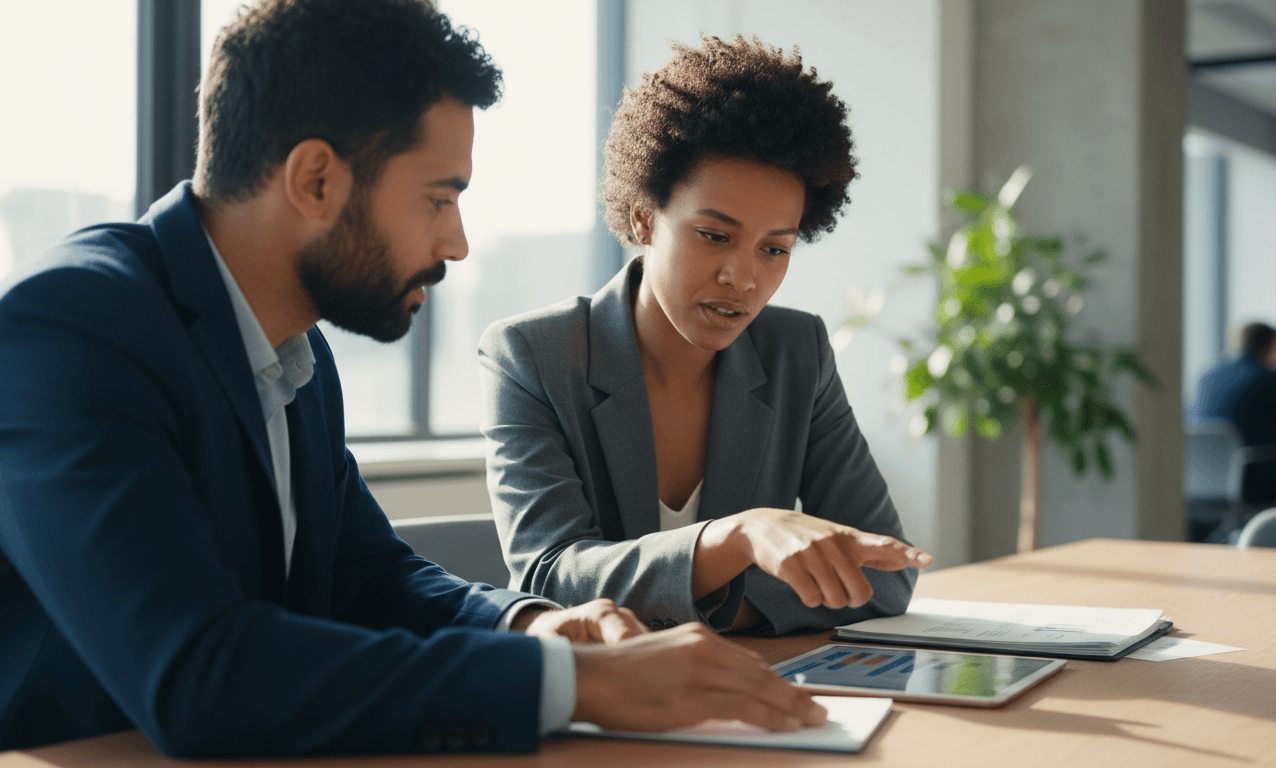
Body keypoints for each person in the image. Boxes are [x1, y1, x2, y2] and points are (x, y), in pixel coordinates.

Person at [0, 1, 824, 757]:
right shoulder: (69, 328)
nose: (457, 242)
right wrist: (576, 684)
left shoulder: (293, 352)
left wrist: (533, 626)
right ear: (316, 180)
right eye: (438, 198)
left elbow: (368, 574)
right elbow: (198, 675)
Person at [479, 36, 931, 638]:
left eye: (775, 249)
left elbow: (887, 572)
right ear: (644, 217)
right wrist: (736, 539)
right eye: (715, 236)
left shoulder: (797, 352)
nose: (742, 278)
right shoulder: (532, 356)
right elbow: (550, 578)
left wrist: (715, 606)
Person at [1193, 322, 1276, 506]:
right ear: (1271, 346)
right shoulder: (1271, 378)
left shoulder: (1206, 376)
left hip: (1199, 480)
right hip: (1251, 479)